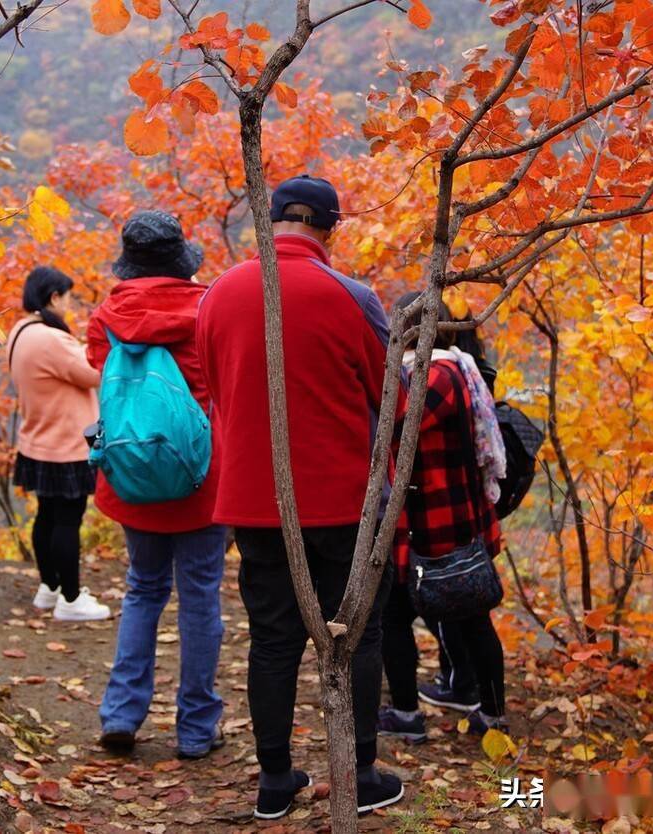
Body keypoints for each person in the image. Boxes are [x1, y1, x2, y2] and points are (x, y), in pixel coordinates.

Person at [197, 175, 403, 819]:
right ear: (329, 229)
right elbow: (389, 394)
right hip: (345, 501)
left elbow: (214, 386)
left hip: (256, 500)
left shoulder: (218, 295)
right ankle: (361, 772)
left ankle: (275, 781)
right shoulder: (353, 297)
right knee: (358, 637)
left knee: (274, 639)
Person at [87, 210, 227, 759]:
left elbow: (105, 381)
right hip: (201, 477)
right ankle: (195, 728)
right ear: (179, 259)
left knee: (143, 588)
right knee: (200, 597)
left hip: (133, 473)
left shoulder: (106, 317)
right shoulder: (208, 309)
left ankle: (121, 713)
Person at [379, 291, 508, 743]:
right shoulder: (452, 369)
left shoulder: (436, 375)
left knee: (461, 617)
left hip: (436, 520)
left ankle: (473, 713)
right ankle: (415, 711)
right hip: (436, 517)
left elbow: (391, 421)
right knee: (405, 616)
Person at [4, 266, 110, 622]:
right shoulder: (51, 339)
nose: (69, 304)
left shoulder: (20, 332)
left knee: (46, 516)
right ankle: (71, 598)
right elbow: (95, 373)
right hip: (66, 444)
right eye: (67, 297)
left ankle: (49, 587)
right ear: (53, 297)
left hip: (37, 439)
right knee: (68, 520)